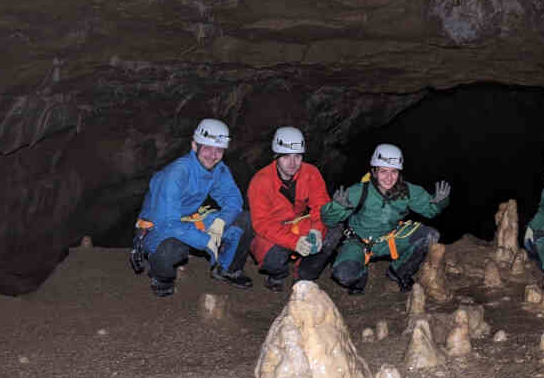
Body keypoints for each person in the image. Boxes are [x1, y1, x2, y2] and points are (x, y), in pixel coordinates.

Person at [129, 118, 253, 297]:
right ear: (195, 146)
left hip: (189, 220)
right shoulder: (176, 173)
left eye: (218, 150)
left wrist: (220, 222)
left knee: (244, 220)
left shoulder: (218, 169)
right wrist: (205, 241)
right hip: (159, 225)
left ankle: (227, 269)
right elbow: (167, 222)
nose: (213, 155)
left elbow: (233, 201)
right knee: (172, 250)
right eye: (208, 148)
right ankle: (161, 277)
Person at [321, 143, 450, 295]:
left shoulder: (407, 191)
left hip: (390, 240)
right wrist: (337, 207)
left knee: (430, 235)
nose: (389, 178)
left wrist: (440, 202)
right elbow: (328, 220)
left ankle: (398, 272)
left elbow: (430, 211)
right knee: (343, 274)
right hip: (358, 242)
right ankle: (361, 276)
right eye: (383, 171)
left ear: (399, 173)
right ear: (374, 172)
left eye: (394, 172)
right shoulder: (360, 191)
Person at [246, 126, 334, 292]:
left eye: (297, 156)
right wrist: (294, 242)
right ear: (276, 156)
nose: (293, 163)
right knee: (273, 257)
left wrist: (317, 230)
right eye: (286, 156)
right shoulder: (261, 181)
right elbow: (262, 223)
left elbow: (320, 206)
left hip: (297, 224)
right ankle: (277, 275)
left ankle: (303, 274)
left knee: (333, 228)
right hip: (272, 230)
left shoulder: (310, 173)